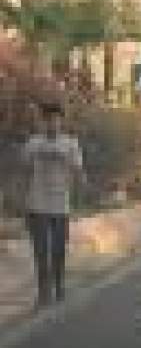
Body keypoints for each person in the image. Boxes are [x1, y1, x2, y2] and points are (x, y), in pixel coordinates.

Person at [19, 102, 86, 307]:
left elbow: (79, 173)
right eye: (48, 120)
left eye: (56, 120)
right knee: (40, 251)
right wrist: (23, 201)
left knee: (58, 249)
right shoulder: (33, 144)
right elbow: (24, 172)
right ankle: (43, 292)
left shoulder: (71, 144)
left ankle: (59, 286)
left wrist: (79, 197)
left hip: (60, 204)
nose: (52, 123)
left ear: (61, 121)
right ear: (43, 121)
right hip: (37, 204)